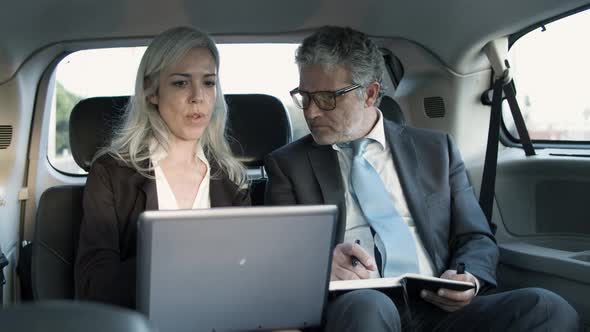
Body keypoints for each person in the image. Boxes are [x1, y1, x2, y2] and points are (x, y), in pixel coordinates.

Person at [264, 26, 580, 331]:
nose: (312, 112)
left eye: (327, 98)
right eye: (304, 97)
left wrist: (467, 277)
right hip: (356, 305)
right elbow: (279, 258)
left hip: (439, 304)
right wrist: (321, 266)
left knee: (548, 308)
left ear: (370, 94)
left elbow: (476, 237)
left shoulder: (436, 150)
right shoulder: (288, 165)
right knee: (370, 307)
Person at [75, 27, 250, 308]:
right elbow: (93, 286)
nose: (198, 96)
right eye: (181, 83)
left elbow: (248, 280)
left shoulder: (232, 180)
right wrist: (174, 256)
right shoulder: (110, 174)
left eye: (208, 82)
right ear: (151, 91)